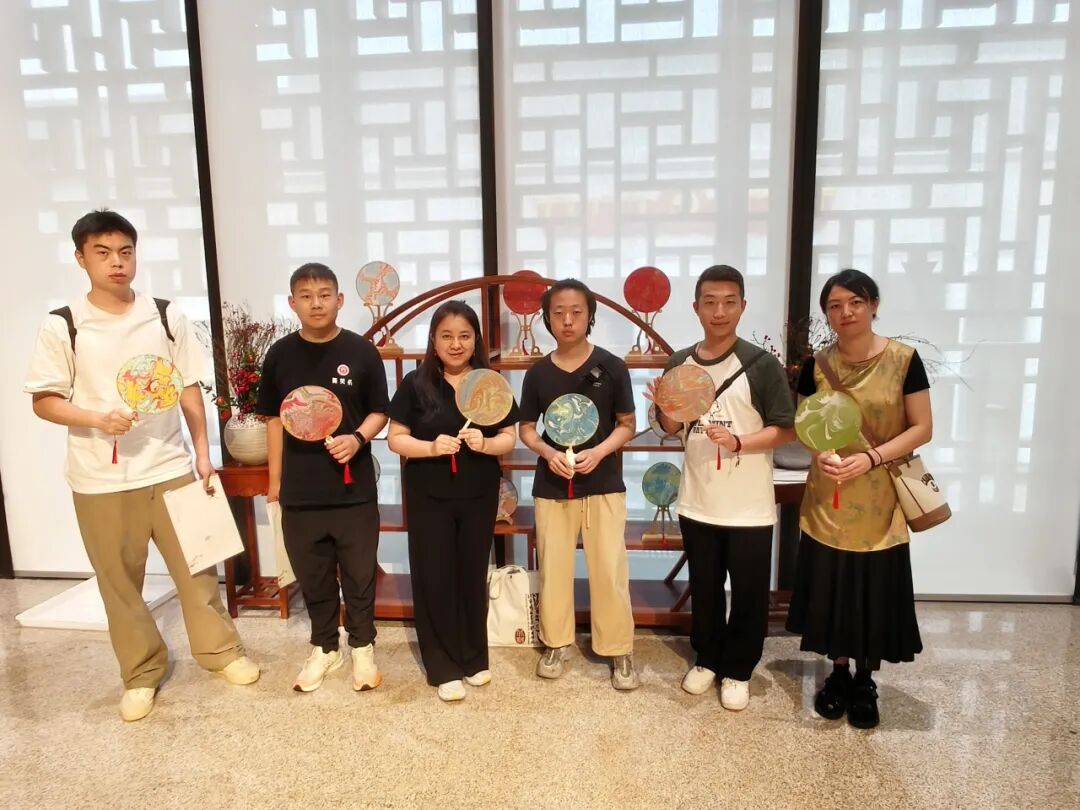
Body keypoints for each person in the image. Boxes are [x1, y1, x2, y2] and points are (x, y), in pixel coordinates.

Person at [25, 209, 260, 722]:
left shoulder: (164, 314)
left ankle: (222, 652)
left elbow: (189, 387)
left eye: (125, 252)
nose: (117, 262)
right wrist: (96, 418)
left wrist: (203, 453)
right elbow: (44, 401)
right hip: (99, 477)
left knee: (198, 568)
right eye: (103, 253)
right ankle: (141, 672)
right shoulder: (63, 324)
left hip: (170, 465)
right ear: (81, 258)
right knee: (119, 583)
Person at [786, 268, 933, 729]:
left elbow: (922, 427)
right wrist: (820, 452)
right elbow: (805, 425)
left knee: (872, 589)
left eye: (855, 302)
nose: (845, 312)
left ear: (873, 305)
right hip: (828, 497)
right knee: (832, 587)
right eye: (835, 305)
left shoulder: (904, 360)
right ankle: (838, 672)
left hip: (880, 499)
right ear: (827, 314)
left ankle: (866, 679)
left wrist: (870, 459)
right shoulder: (816, 365)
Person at [647, 265, 795, 710]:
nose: (719, 311)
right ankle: (707, 658)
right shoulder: (680, 363)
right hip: (698, 499)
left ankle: (739, 669)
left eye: (729, 302)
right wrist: (663, 405)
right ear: (696, 308)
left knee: (748, 592)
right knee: (705, 586)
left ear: (742, 306)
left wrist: (738, 442)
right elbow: (670, 428)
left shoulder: (761, 364)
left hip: (748, 505)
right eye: (710, 302)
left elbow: (785, 428)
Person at [256, 263, 389, 693]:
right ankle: (325, 647)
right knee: (312, 576)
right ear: (292, 303)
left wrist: (357, 438)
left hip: (353, 490)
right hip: (300, 491)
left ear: (340, 300)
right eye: (306, 296)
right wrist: (274, 482)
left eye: (325, 294)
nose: (317, 303)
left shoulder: (361, 351)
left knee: (359, 575)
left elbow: (380, 411)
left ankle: (363, 648)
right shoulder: (280, 354)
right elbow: (273, 420)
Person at [387, 301, 519, 702]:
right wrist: (430, 447)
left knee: (472, 573)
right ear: (433, 339)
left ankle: (474, 658)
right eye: (446, 336)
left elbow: (509, 437)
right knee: (435, 576)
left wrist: (486, 443)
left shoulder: (490, 383)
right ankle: (443, 666)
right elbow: (396, 438)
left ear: (476, 339)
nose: (456, 344)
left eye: (464, 335)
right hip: (429, 495)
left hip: (478, 494)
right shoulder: (416, 383)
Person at [518, 279, 639, 690]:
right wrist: (546, 452)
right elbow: (527, 428)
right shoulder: (538, 373)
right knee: (554, 568)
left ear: (590, 316)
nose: (567, 321)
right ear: (547, 318)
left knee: (609, 569)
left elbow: (627, 424)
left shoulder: (613, 366)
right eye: (558, 313)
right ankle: (556, 643)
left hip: (604, 483)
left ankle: (618, 648)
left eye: (576, 312)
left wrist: (600, 452)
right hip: (553, 485)